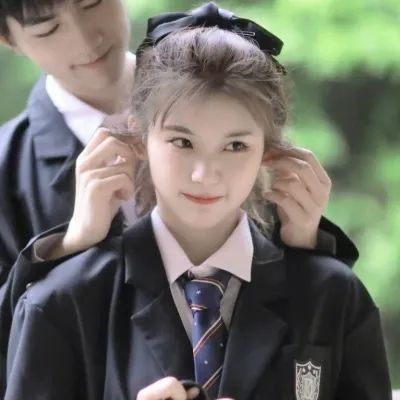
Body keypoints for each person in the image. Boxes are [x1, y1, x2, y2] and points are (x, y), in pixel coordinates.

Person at [5, 4, 391, 399]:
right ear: (139, 138)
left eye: (235, 145)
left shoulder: (332, 294)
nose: (205, 174)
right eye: (182, 142)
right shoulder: (63, 301)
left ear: (269, 151)